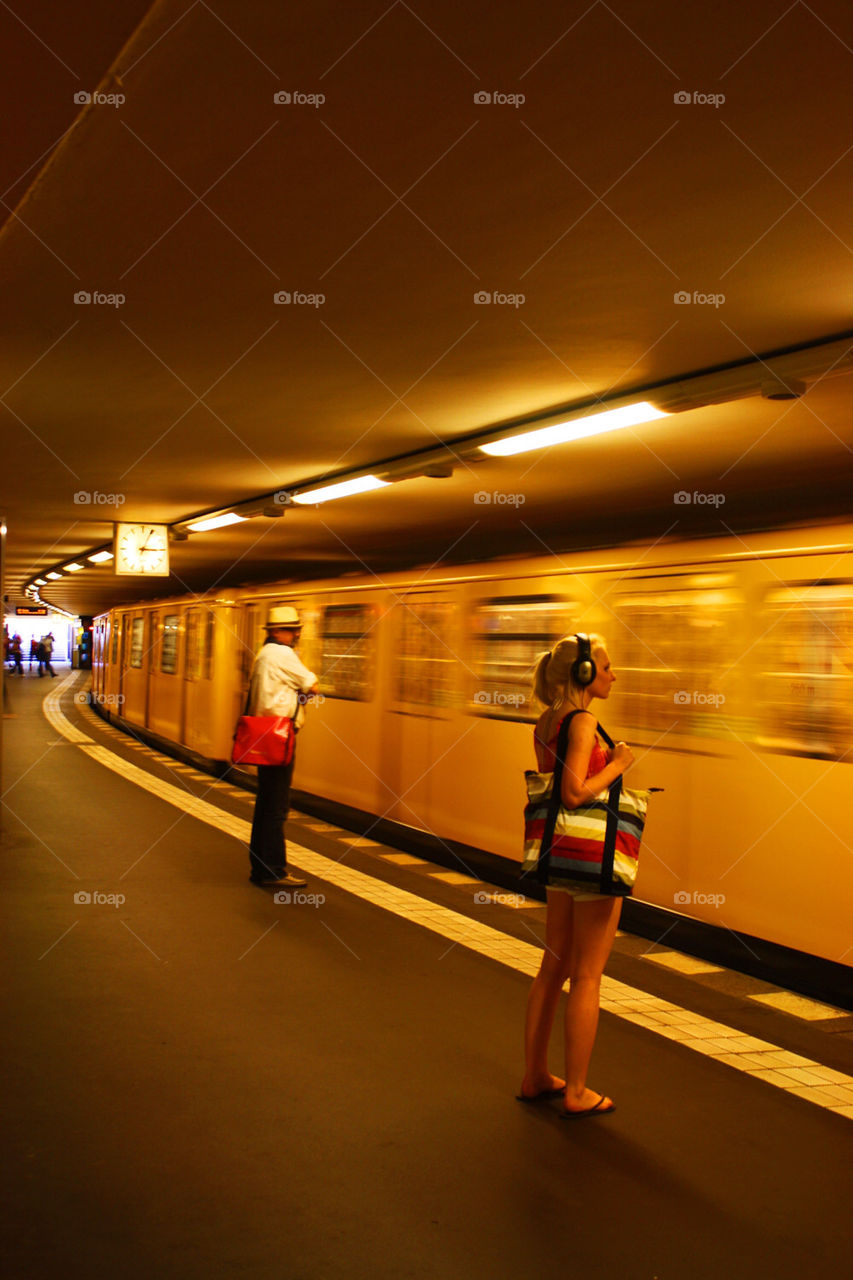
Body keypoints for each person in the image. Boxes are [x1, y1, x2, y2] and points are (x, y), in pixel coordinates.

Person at [518, 633, 634, 1117]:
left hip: (556, 853)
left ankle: (536, 1075)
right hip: (589, 855)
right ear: (584, 674)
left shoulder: (547, 721)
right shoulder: (583, 721)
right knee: (587, 975)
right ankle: (578, 1091)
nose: (612, 674)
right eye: (605, 666)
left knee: (552, 968)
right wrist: (622, 764)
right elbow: (573, 791)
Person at [245, 604, 319, 887]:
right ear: (277, 631)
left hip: (264, 733)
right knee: (276, 807)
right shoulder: (282, 653)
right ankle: (273, 871)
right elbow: (312, 685)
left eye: (296, 630)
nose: (295, 634)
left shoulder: (264, 654)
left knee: (265, 804)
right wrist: (304, 690)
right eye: (291, 630)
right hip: (280, 736)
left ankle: (260, 868)